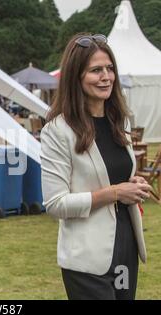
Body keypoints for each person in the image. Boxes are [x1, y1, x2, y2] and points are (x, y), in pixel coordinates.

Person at [40, 33, 152, 300]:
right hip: (87, 258)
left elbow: (112, 174)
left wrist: (131, 183)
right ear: (76, 77)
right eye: (96, 70)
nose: (106, 77)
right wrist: (114, 192)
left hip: (125, 246)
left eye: (110, 68)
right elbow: (55, 204)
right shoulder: (58, 131)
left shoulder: (118, 122)